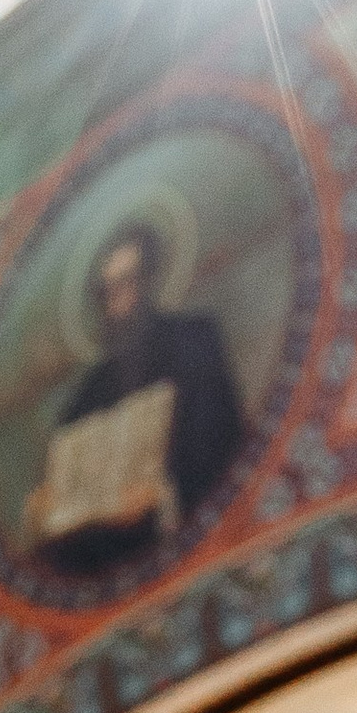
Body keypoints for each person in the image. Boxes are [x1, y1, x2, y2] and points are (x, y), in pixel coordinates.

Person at [27, 220, 244, 572]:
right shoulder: (89, 390)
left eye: (128, 282)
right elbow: (66, 475)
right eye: (108, 290)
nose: (120, 300)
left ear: (149, 280)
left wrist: (162, 490)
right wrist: (50, 502)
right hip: (113, 551)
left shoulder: (195, 338)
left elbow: (220, 436)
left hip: (196, 525)